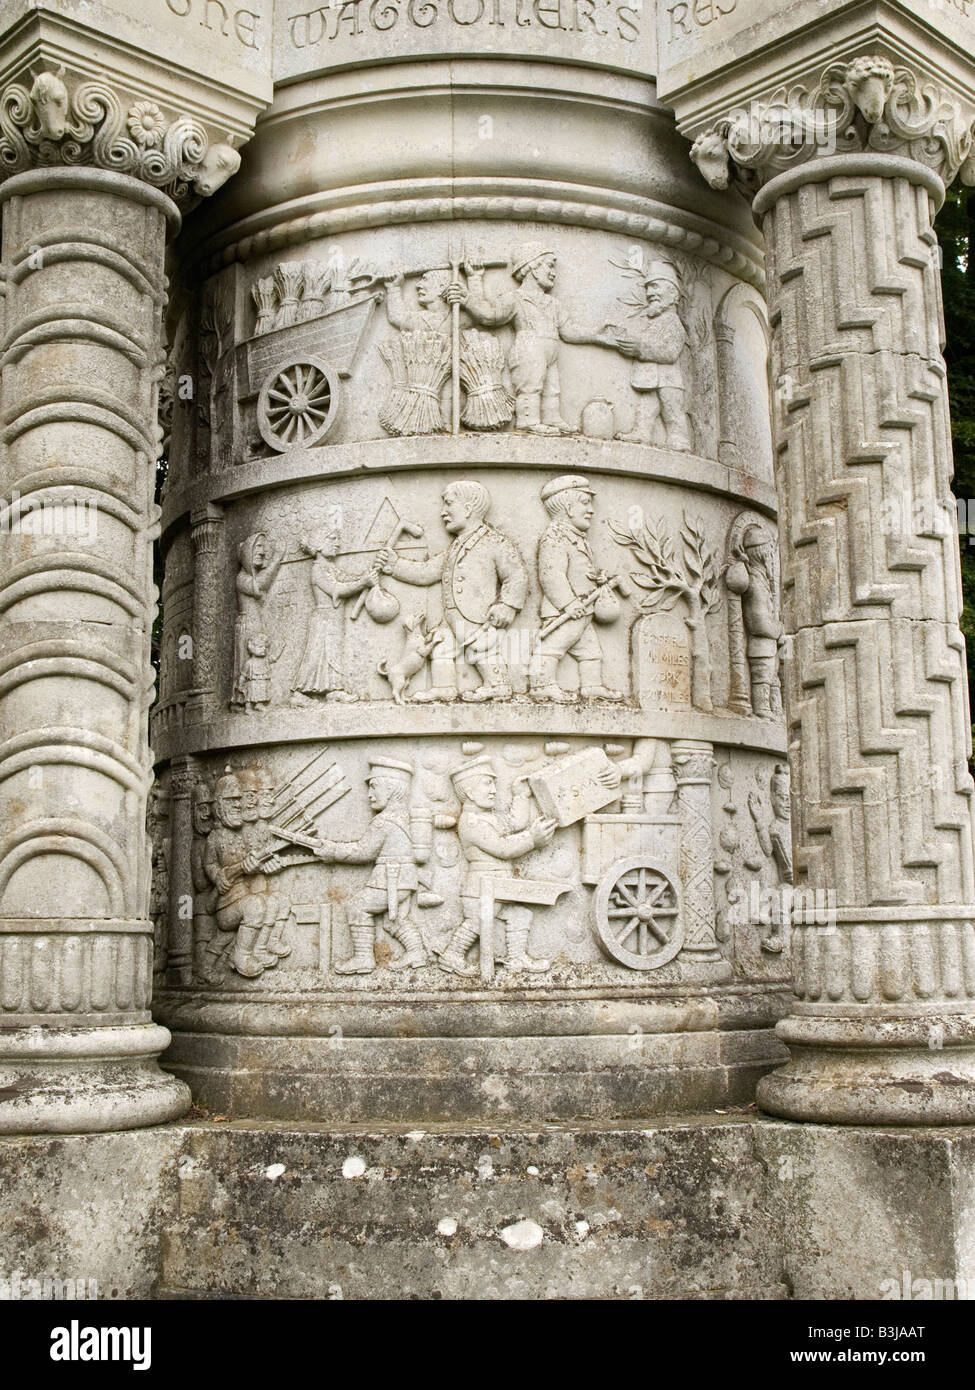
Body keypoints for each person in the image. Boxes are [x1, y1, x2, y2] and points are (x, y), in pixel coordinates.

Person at [378, 480, 527, 703]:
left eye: (449, 504)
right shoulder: (455, 547)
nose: (442, 512)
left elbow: (516, 575)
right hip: (453, 617)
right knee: (442, 646)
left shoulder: (495, 542)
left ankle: (498, 685)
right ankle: (444, 687)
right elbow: (428, 572)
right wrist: (394, 565)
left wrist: (507, 605)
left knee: (481, 649)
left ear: (468, 508)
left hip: (478, 615)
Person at [449, 245, 604, 434]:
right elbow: (491, 316)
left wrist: (598, 335)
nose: (553, 273)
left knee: (552, 388)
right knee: (531, 385)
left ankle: (552, 418)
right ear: (532, 267)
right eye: (549, 266)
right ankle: (527, 420)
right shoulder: (515, 298)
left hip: (550, 350)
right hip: (529, 347)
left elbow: (569, 331)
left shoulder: (553, 303)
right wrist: (469, 295)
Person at [436, 756, 557, 976]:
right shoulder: (471, 823)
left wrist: (521, 795)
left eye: (494, 783)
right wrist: (532, 839)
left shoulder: (488, 817)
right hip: (481, 889)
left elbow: (514, 823)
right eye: (487, 783)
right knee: (476, 923)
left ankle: (516, 958)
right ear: (470, 792)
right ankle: (452, 955)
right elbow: (502, 847)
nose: (493, 790)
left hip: (499, 887)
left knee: (520, 915)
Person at [313, 758, 429, 974]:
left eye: (374, 786)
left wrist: (333, 852)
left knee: (358, 906)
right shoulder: (405, 817)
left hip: (389, 879)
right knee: (393, 920)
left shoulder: (383, 821)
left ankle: (364, 958)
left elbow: (363, 852)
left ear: (392, 788)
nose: (369, 794)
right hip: (404, 880)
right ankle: (417, 952)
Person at [531, 474, 623, 702]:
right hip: (565, 610)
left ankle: (592, 686)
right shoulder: (554, 537)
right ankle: (541, 685)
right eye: (585, 503)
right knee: (552, 647)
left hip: (583, 610)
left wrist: (598, 579)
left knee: (591, 653)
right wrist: (569, 604)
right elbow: (551, 575)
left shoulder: (577, 537)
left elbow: (581, 570)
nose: (591, 510)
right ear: (568, 507)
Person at [611, 261, 692, 451]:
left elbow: (671, 353)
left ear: (673, 294)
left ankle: (679, 440)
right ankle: (642, 433)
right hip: (651, 378)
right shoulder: (655, 322)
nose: (649, 294)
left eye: (655, 287)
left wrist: (641, 349)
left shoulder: (672, 322)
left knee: (672, 411)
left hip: (669, 380)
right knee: (646, 408)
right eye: (648, 289)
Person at [231, 532, 283, 709]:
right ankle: (240, 700)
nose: (262, 551)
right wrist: (276, 559)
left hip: (256, 622)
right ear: (247, 552)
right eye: (258, 546)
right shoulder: (241, 578)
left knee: (259, 665)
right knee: (247, 667)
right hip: (247, 625)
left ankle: (257, 700)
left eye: (264, 547)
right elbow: (261, 585)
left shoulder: (249, 577)